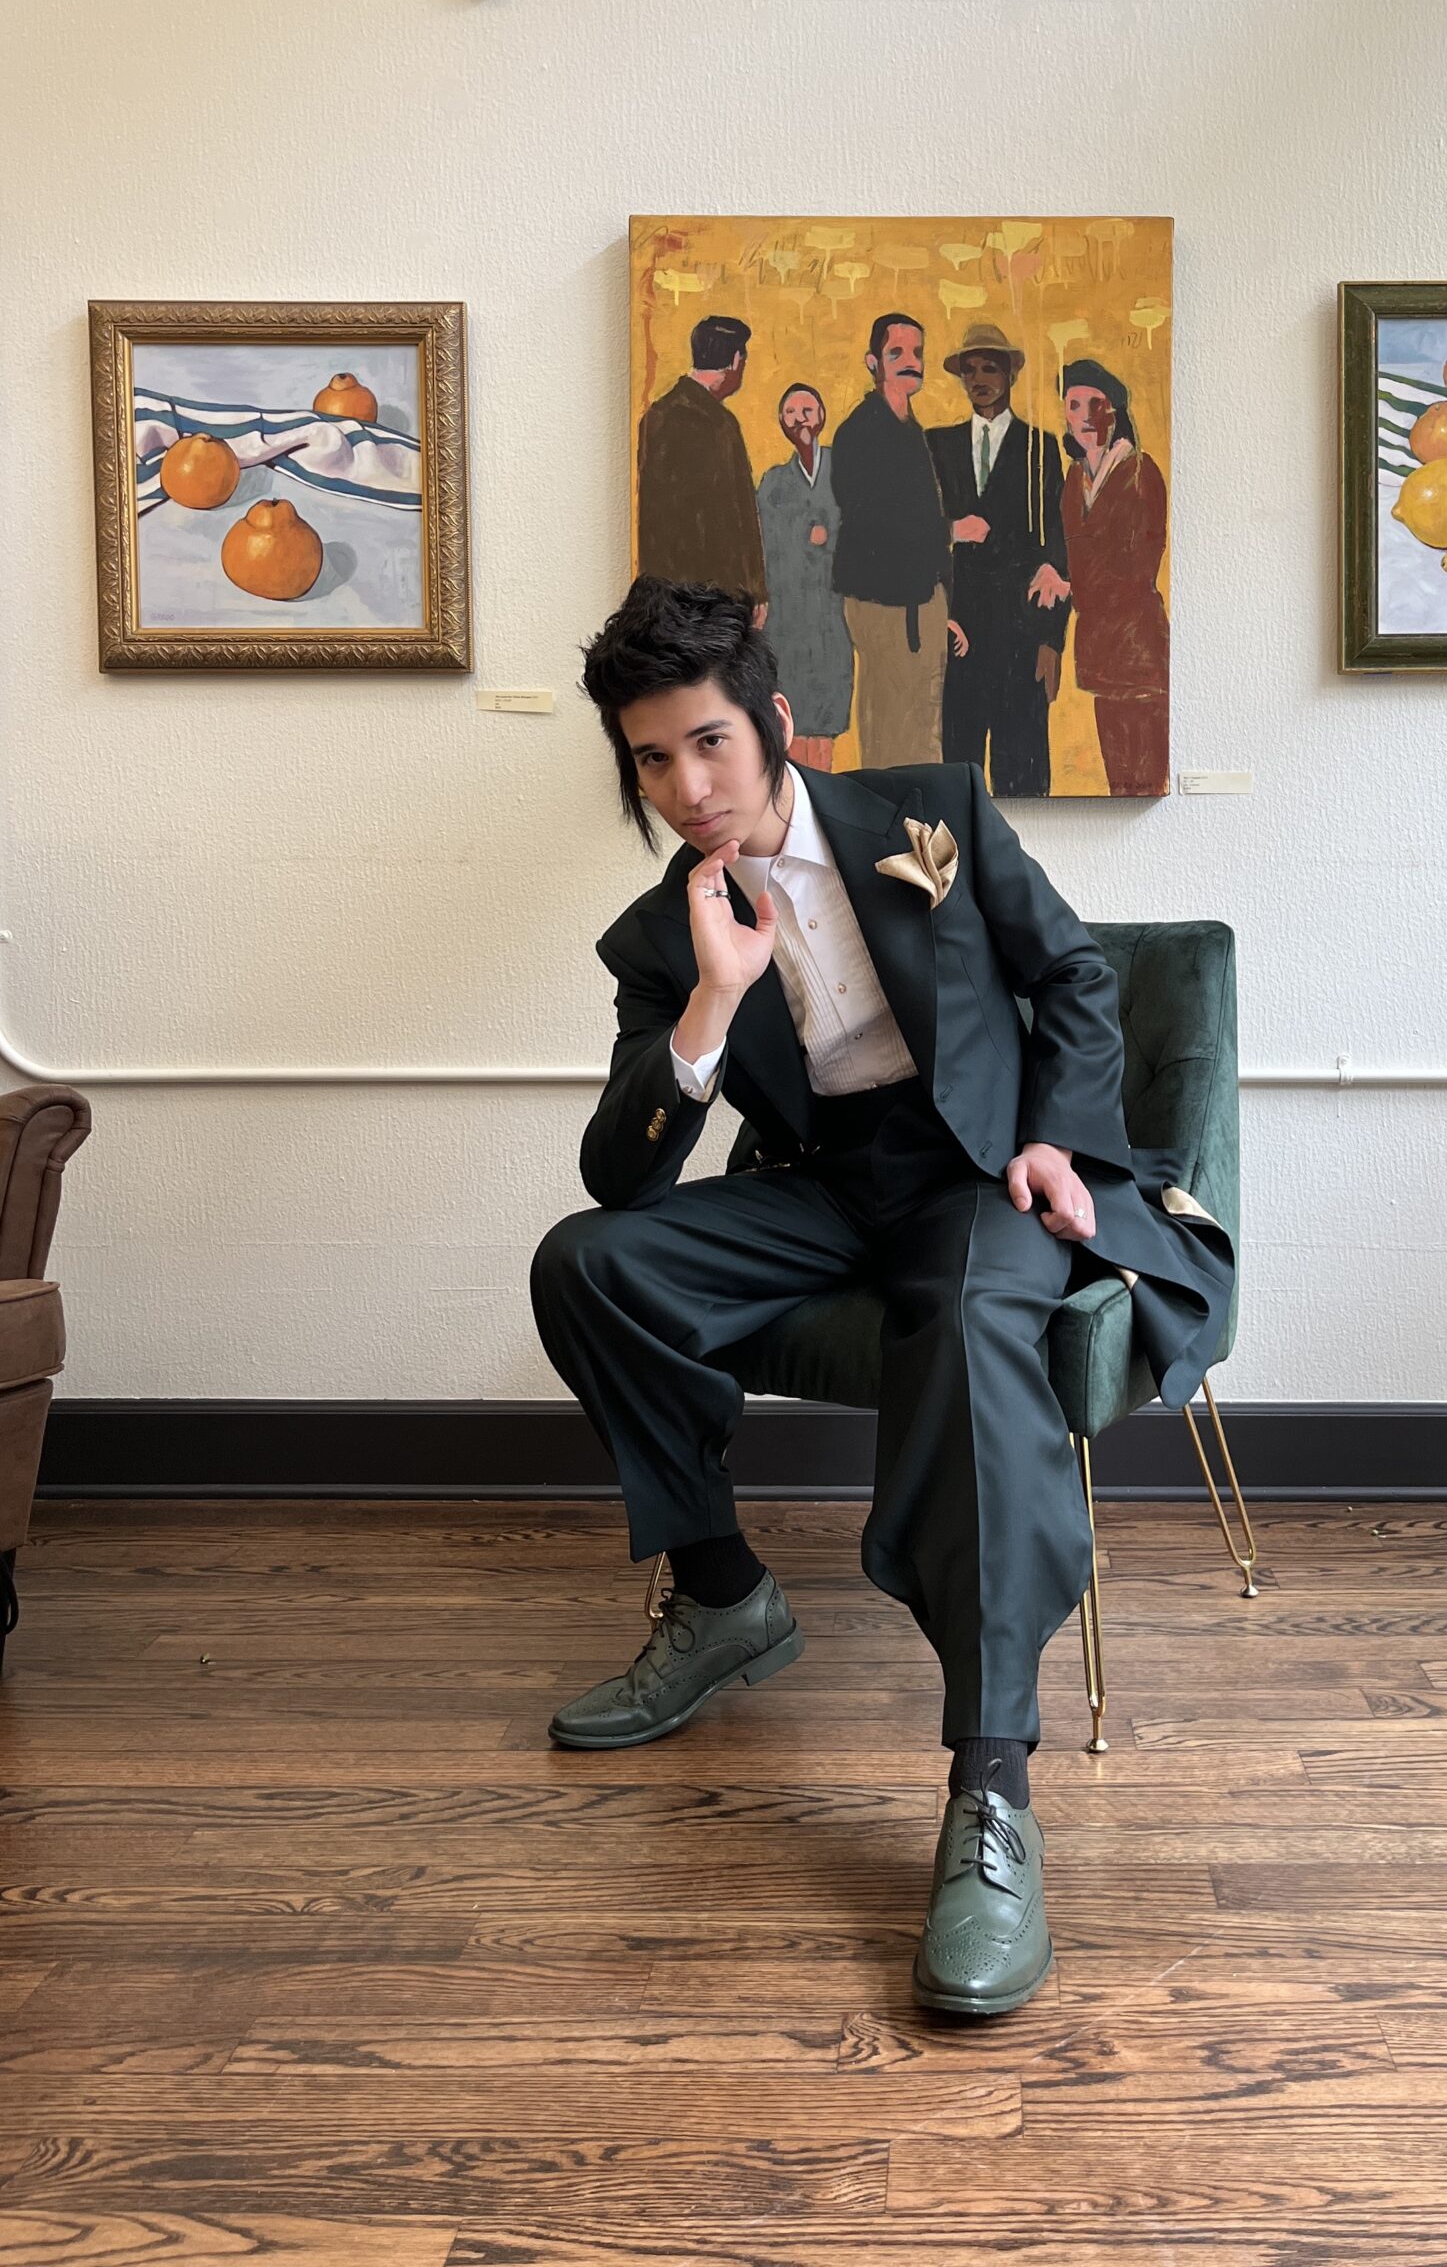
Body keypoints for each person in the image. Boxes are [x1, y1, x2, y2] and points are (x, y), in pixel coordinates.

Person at [530, 578, 1234, 2019]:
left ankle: (988, 1791)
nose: (687, 787)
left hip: (976, 1168)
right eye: (652, 761)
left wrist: (1054, 1139)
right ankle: (724, 1599)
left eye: (709, 744)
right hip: (816, 1182)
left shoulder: (932, 814)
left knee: (976, 1328)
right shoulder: (656, 938)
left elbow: (1076, 975)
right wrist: (712, 1003)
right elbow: (621, 1182)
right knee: (585, 1266)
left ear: (776, 722)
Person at [928, 321, 1069, 796]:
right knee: (956, 782)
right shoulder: (936, 446)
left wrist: (1051, 639)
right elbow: (908, 534)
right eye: (970, 370)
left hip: (1021, 641)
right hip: (957, 636)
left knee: (1024, 781)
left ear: (1010, 375)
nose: (979, 379)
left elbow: (1057, 551)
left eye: (990, 368)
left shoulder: (1040, 448)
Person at [827, 313, 969, 765]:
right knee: (890, 726)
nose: (911, 362)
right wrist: (950, 531)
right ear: (874, 362)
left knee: (924, 725)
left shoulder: (914, 432)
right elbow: (870, 522)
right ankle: (891, 831)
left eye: (917, 353)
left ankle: (920, 829)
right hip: (883, 601)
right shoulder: (860, 432)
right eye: (897, 353)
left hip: (921, 600)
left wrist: (943, 603)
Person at [1057, 358, 1170, 797]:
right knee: (1117, 783)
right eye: (1074, 404)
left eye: (1095, 404)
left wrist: (1073, 585)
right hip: (1099, 651)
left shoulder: (1141, 472)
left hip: (1138, 648)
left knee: (1145, 783)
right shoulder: (1073, 479)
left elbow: (1138, 565)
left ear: (1115, 412)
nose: (1085, 415)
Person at [636, 313, 768, 619]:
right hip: (720, 596)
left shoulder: (657, 416)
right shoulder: (721, 425)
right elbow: (740, 515)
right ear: (736, 360)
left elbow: (651, 519)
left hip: (667, 596)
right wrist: (755, 590)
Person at [755, 383, 850, 773]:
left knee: (826, 710)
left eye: (807, 410)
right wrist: (802, 533)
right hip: (787, 611)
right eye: (791, 412)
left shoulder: (842, 469)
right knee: (789, 712)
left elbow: (860, 520)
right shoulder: (774, 481)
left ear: (822, 416)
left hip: (831, 608)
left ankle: (821, 793)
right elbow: (763, 537)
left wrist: (830, 537)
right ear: (781, 422)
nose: (800, 419)